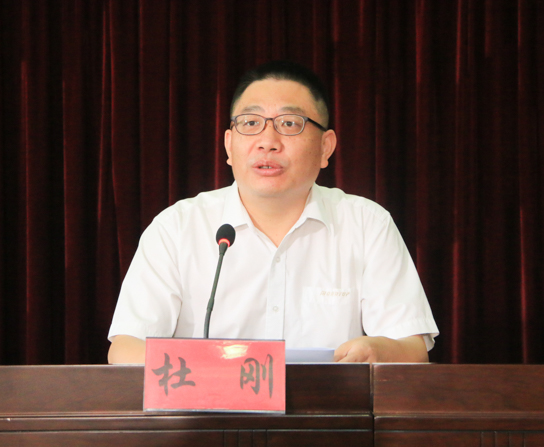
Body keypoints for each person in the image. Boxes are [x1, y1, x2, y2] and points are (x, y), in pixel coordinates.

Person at [107, 60, 439, 364]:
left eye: (289, 123)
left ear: (325, 147)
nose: (267, 141)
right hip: (204, 411)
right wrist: (210, 374)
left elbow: (411, 348)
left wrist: (379, 351)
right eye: (250, 123)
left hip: (328, 409)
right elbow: (125, 349)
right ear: (228, 145)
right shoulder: (177, 227)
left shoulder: (367, 224)